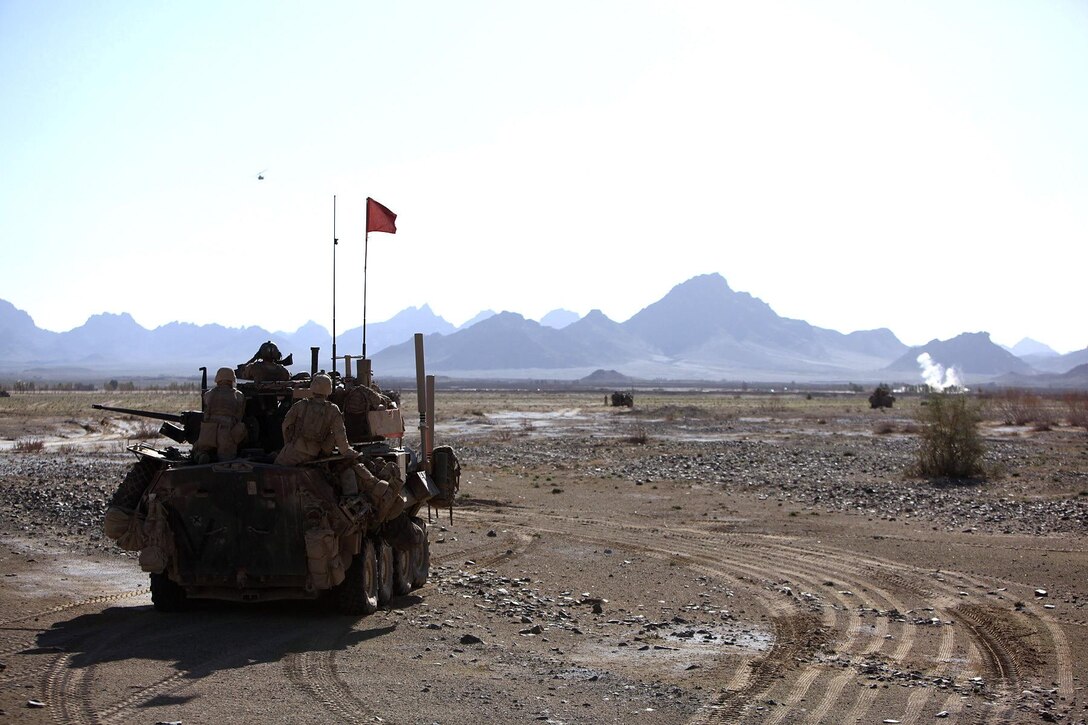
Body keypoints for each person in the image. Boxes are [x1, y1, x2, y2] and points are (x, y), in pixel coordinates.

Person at [274, 373, 353, 465]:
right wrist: (346, 451)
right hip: (315, 453)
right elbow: (340, 433)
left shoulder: (300, 405)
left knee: (274, 472)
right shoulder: (333, 409)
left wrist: (288, 443)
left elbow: (286, 425)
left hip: (294, 451)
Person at [193, 367, 247, 463]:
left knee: (200, 449)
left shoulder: (209, 394)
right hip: (227, 433)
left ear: (218, 379)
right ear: (232, 380)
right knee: (226, 460)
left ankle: (202, 456)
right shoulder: (238, 395)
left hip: (209, 431)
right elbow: (239, 416)